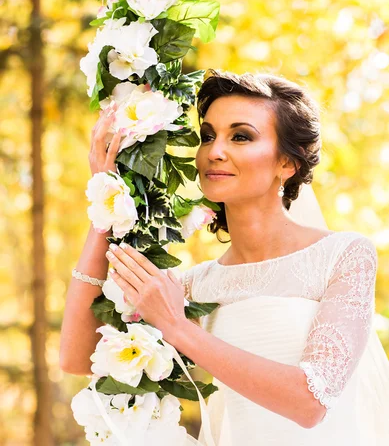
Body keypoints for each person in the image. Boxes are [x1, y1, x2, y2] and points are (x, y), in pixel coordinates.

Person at [60, 70, 389, 445]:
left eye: (241, 136)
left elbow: (312, 401)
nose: (215, 151)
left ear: (287, 163)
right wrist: (106, 199)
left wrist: (177, 327)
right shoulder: (196, 287)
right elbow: (78, 357)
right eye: (208, 136)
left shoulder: (344, 256)